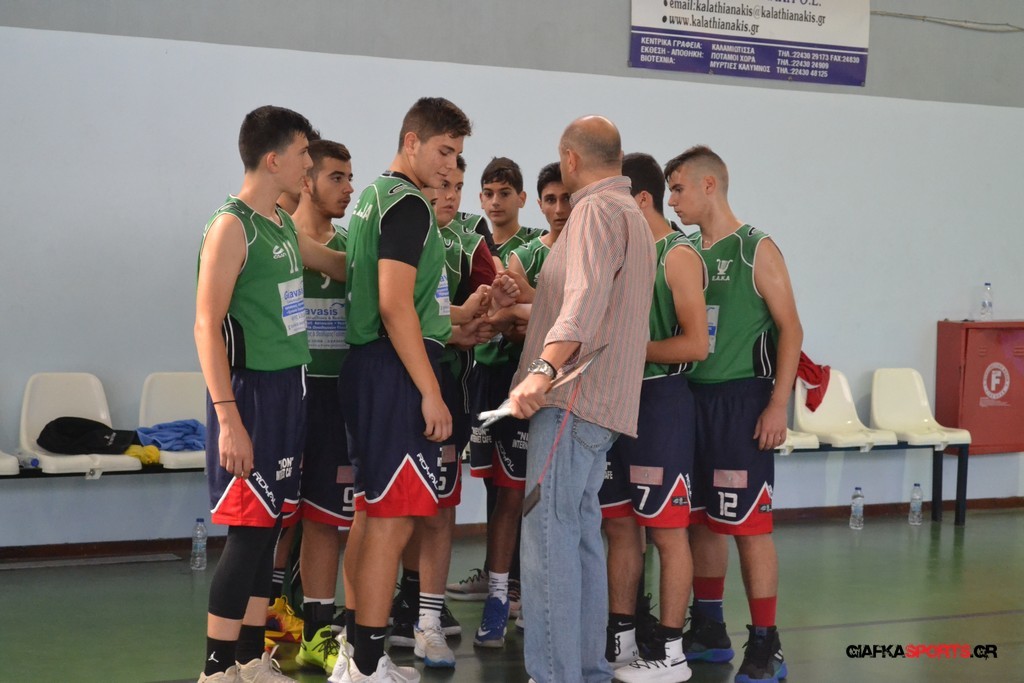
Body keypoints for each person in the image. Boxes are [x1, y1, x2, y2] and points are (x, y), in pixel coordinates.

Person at [328, 96, 472, 683]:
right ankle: (367, 664)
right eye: (444, 150)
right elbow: (394, 305)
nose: (450, 165)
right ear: (411, 141)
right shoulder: (410, 204)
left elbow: (403, 301)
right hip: (395, 371)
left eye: (457, 155)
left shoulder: (373, 196)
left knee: (371, 516)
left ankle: (356, 654)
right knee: (392, 522)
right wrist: (430, 391)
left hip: (371, 368)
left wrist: (458, 320)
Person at [509, 116, 655, 683]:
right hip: (603, 406)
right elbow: (593, 299)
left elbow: (586, 301)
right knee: (579, 537)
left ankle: (555, 675)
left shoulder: (593, 210)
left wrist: (543, 369)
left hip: (573, 399)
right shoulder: (632, 214)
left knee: (548, 540)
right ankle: (588, 670)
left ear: (570, 159)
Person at [665, 145, 802, 683]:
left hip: (742, 401)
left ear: (709, 185)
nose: (673, 201)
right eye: (669, 191)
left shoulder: (754, 248)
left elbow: (791, 328)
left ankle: (767, 642)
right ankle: (709, 628)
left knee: (748, 525)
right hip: (690, 400)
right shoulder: (685, 252)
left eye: (679, 189)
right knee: (701, 519)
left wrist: (777, 404)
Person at [194, 105, 316, 683]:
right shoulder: (231, 227)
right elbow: (205, 325)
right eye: (303, 153)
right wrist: (229, 419)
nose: (309, 164)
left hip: (289, 389)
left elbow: (339, 264)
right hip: (249, 396)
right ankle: (216, 669)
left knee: (268, 531)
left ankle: (247, 660)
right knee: (246, 534)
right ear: (273, 159)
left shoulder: (281, 223)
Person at [388, 155, 506, 668]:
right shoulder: (395, 228)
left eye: (459, 186)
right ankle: (394, 607)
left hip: (448, 389)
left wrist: (489, 309)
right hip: (395, 387)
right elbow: (395, 313)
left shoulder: (466, 241)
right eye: (442, 184)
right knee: (393, 509)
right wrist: (456, 330)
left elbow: (488, 308)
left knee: (438, 506)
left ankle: (429, 618)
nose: (450, 195)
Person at [599, 152, 709, 682]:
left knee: (667, 531)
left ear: (641, 200)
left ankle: (670, 651)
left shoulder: (677, 255)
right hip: (617, 401)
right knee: (619, 525)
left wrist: (632, 348)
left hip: (662, 402)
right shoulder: (626, 255)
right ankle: (622, 638)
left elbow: (696, 344)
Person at [466, 157, 544, 647]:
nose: (495, 202)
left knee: (522, 489)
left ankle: (516, 585)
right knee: (495, 486)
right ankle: (498, 580)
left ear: (522, 199)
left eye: (504, 193)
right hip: (483, 375)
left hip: (525, 376)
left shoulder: (531, 249)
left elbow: (525, 318)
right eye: (488, 193)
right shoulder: (471, 243)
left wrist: (512, 311)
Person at [288, 139, 356, 675]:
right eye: (336, 177)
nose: (348, 188)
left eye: (350, 178)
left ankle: (317, 630)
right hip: (287, 392)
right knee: (273, 516)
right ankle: (263, 621)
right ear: (306, 180)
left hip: (337, 398)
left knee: (325, 517)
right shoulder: (277, 240)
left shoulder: (353, 243)